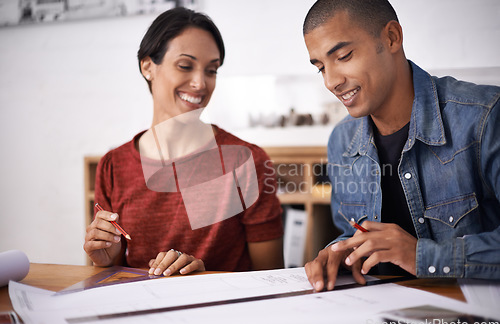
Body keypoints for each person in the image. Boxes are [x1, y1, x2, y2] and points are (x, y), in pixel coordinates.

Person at [302, 0, 500, 291]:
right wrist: (341, 252)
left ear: (392, 37)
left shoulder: (484, 116)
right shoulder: (342, 141)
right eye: (320, 67)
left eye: (343, 56)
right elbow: (350, 230)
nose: (331, 81)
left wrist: (422, 256)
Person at [84, 7, 284, 276]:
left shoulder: (247, 160)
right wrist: (105, 259)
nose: (201, 83)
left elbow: (270, 277)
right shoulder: (113, 166)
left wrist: (204, 278)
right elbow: (110, 273)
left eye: (211, 70)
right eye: (185, 66)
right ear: (147, 67)